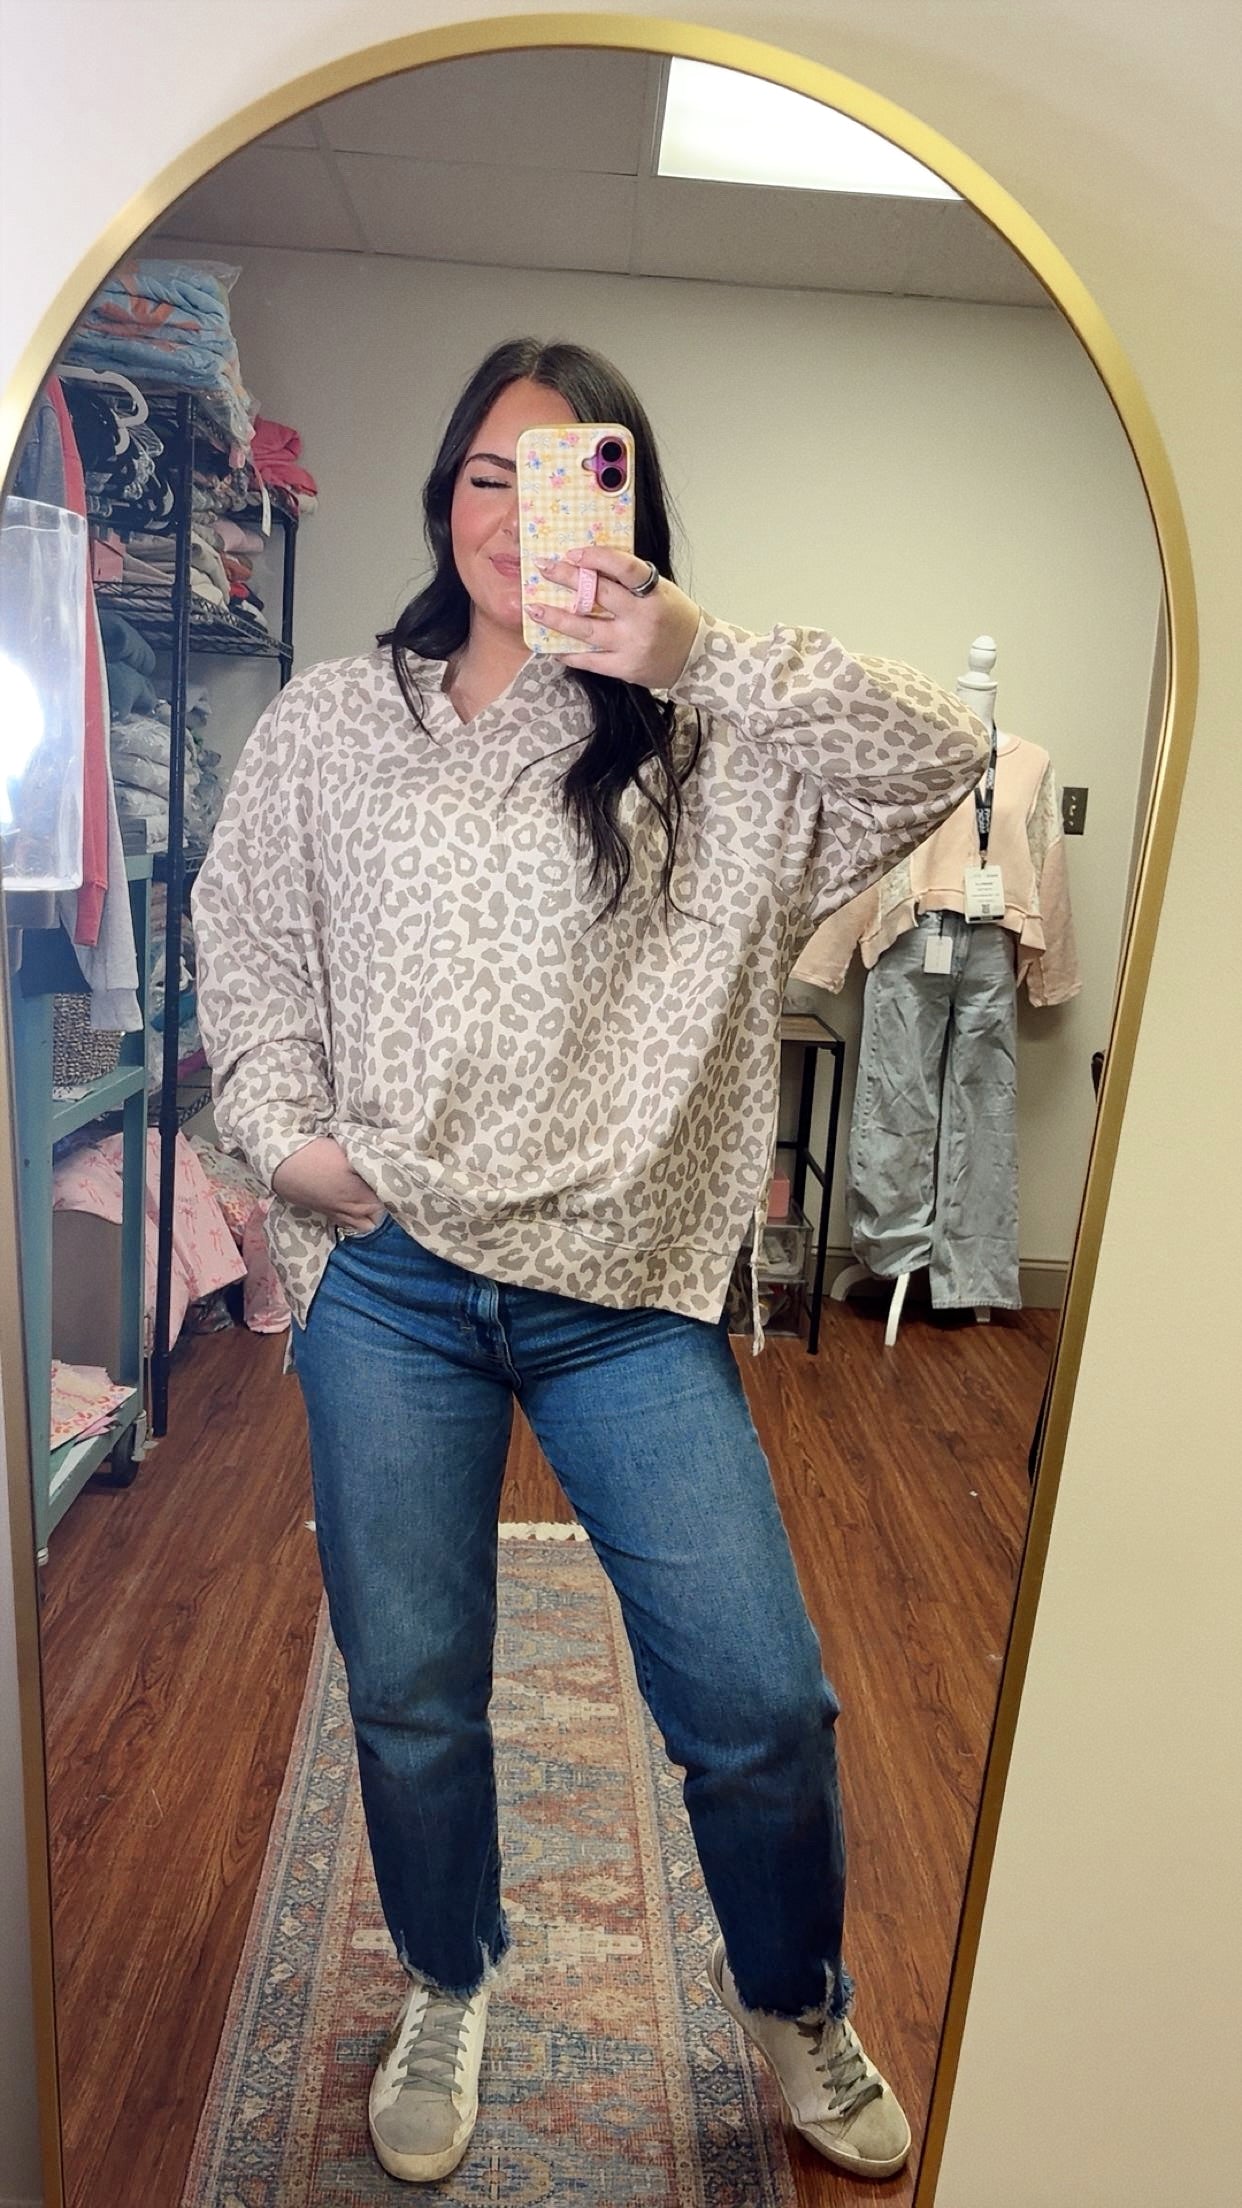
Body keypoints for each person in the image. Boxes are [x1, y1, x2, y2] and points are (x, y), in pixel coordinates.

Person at [193, 337, 988, 2187]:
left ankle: (793, 2001)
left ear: (622, 509)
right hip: (391, 1276)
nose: (513, 514)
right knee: (410, 1686)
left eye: (562, 477)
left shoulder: (705, 743)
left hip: (622, 1293)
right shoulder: (336, 721)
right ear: (442, 495)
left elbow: (937, 752)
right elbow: (248, 941)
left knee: (758, 1700)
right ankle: (449, 1975)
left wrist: (689, 650)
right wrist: (288, 1142)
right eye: (487, 473)